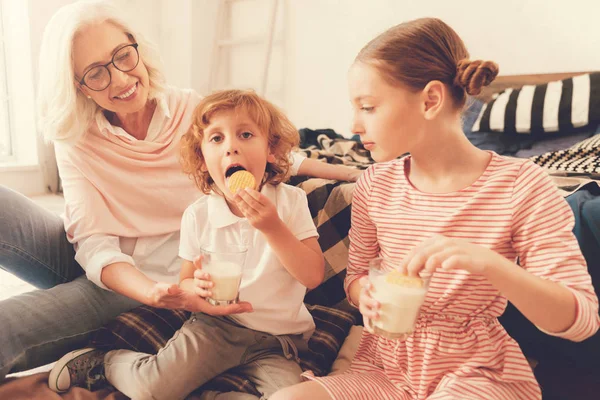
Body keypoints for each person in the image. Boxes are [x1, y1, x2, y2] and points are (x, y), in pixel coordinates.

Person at [0, 0, 359, 381]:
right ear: (78, 86)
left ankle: (96, 351)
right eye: (96, 73)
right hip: (113, 266)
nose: (120, 79)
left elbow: (269, 152)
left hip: (150, 275)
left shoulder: (188, 108)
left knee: (7, 328)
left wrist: (347, 172)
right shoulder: (73, 138)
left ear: (136, 47)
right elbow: (92, 243)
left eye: (123, 56)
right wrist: (149, 293)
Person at [272, 18, 600, 400]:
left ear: (430, 99)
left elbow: (580, 320)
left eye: (369, 107)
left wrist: (489, 264)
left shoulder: (522, 185)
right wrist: (369, 296)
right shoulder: (374, 185)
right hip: (384, 367)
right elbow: (356, 278)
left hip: (475, 372)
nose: (355, 124)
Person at [48, 89, 325, 400]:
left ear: (271, 149)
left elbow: (313, 275)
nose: (231, 148)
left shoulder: (290, 203)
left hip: (279, 342)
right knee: (151, 389)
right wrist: (198, 287)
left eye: (245, 134)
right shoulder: (198, 215)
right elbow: (186, 282)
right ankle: (107, 363)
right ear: (204, 160)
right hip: (216, 328)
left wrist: (274, 229)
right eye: (216, 139)